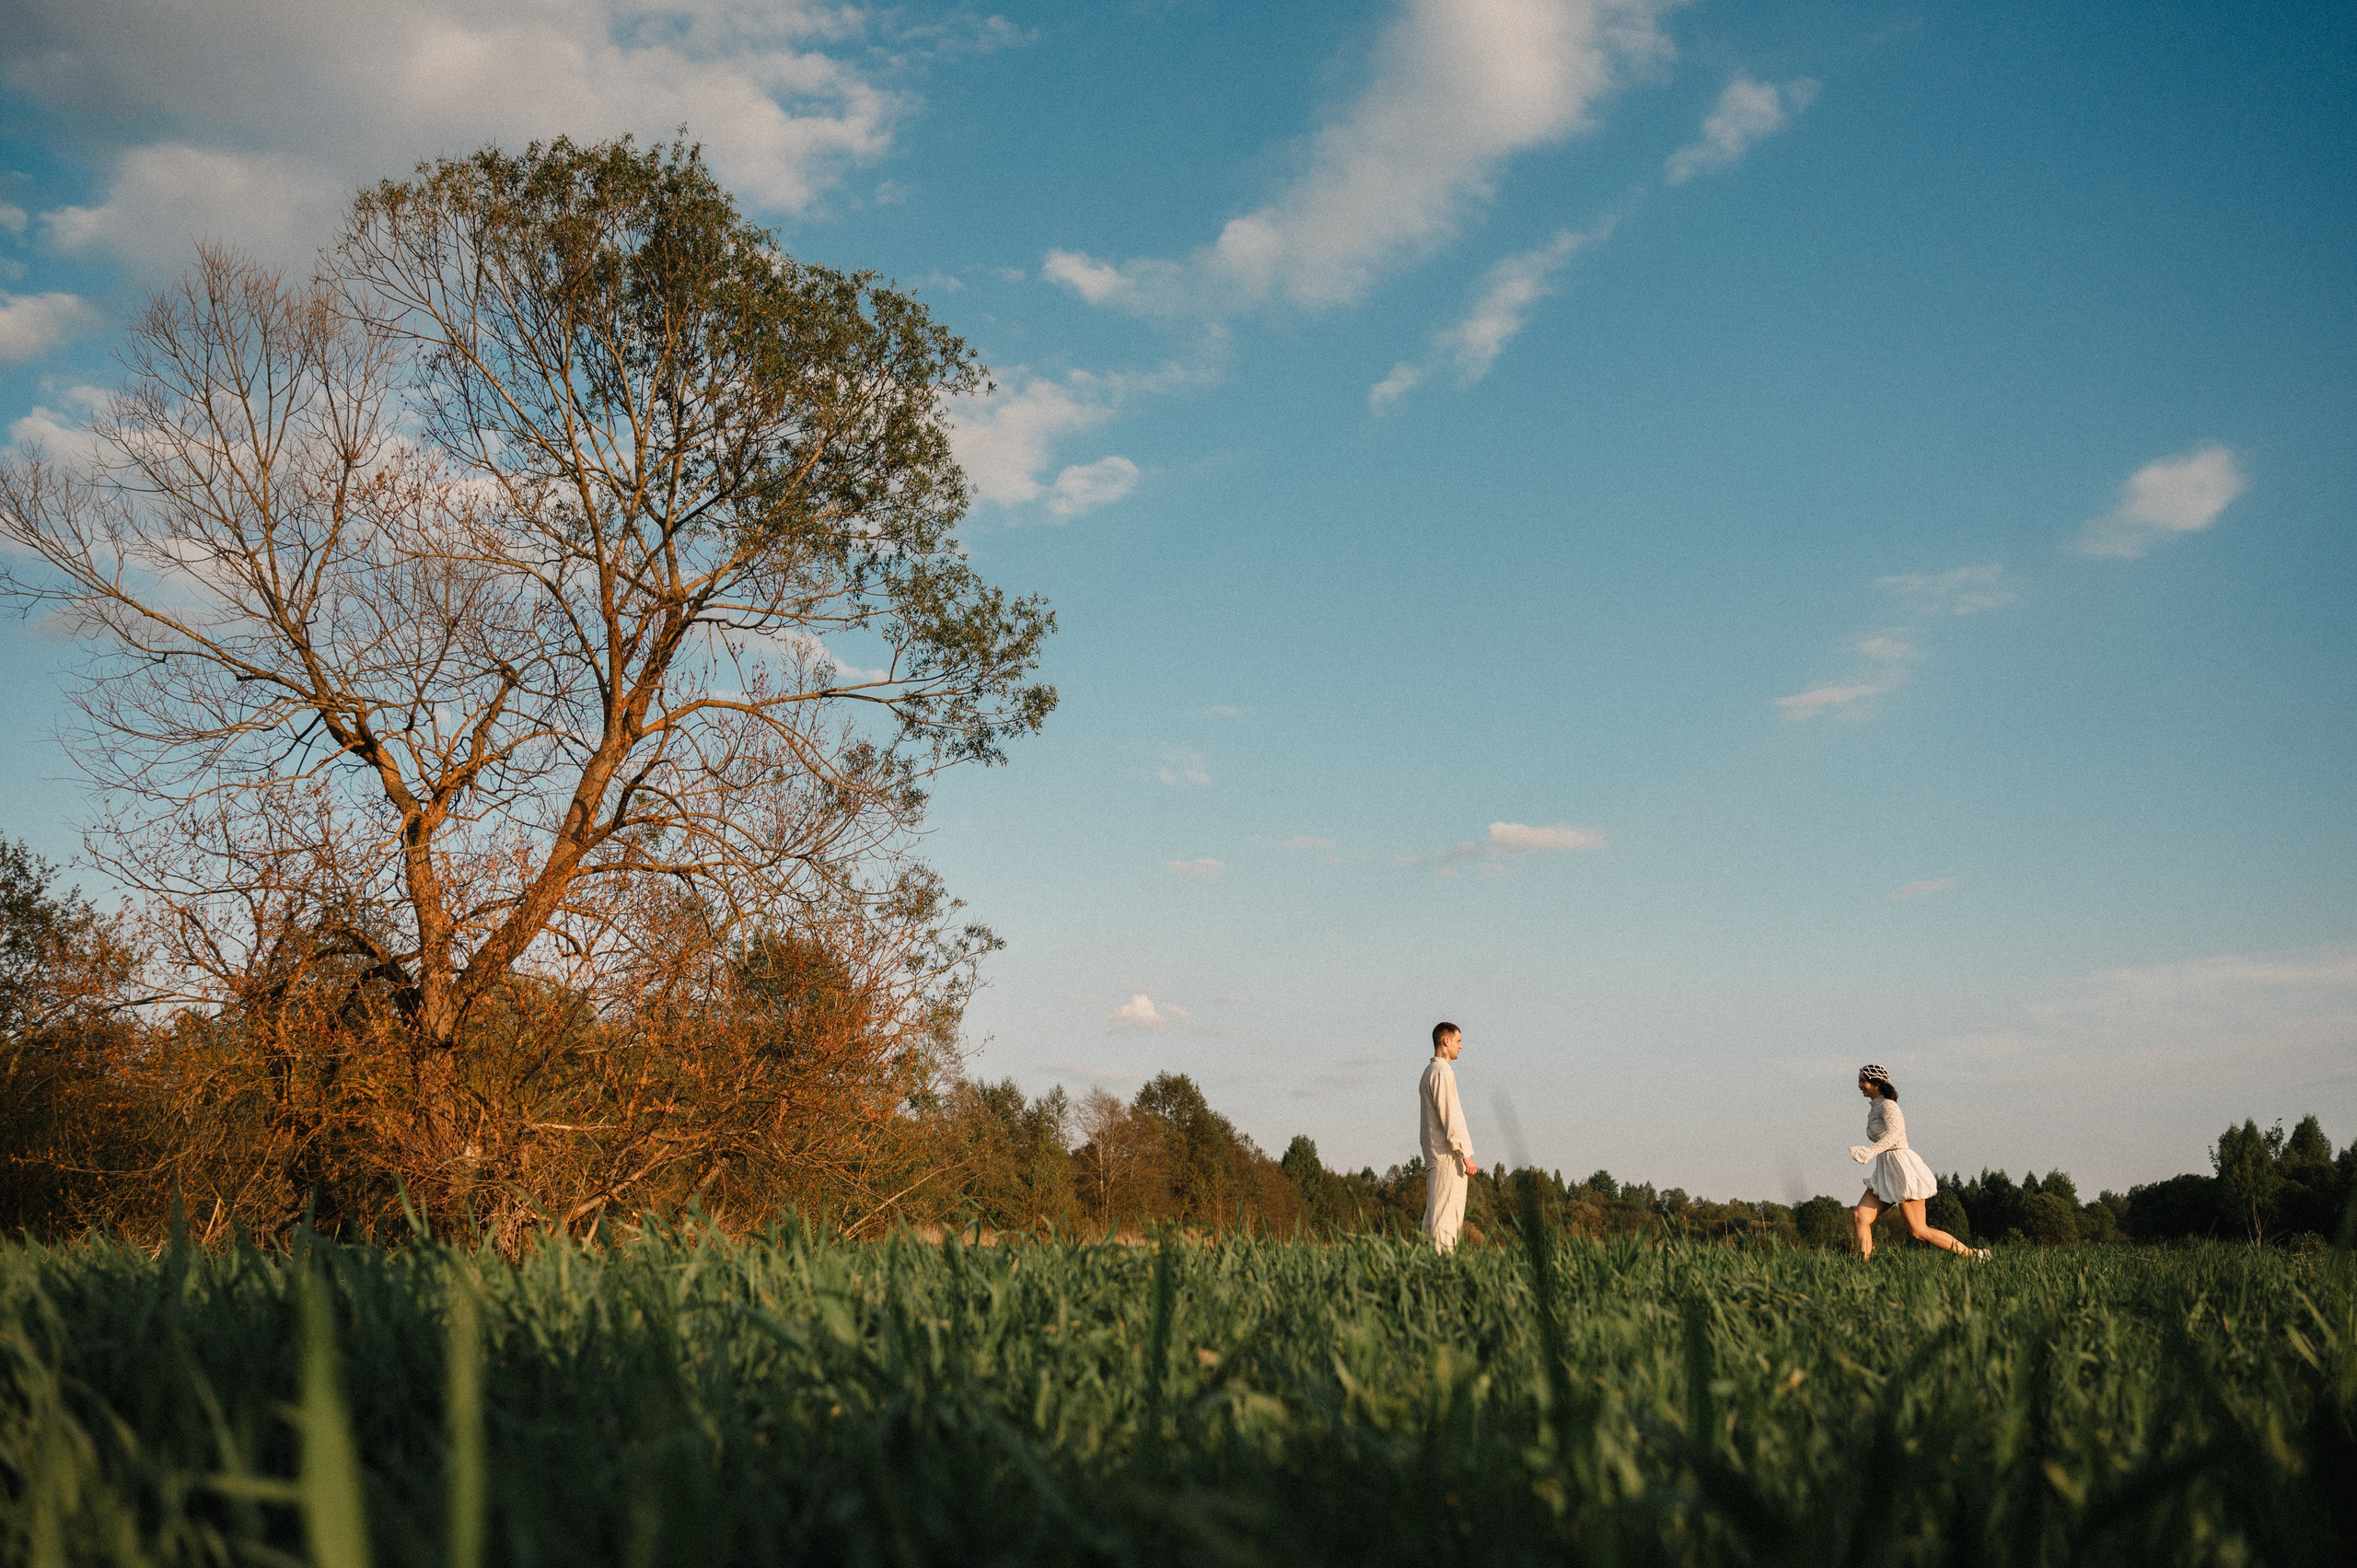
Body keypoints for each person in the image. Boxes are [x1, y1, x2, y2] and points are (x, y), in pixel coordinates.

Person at [1849, 1063, 1986, 1259]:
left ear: (1876, 1083)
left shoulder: (1888, 1106)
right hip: (1885, 1170)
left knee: (1918, 1230)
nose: (1859, 1085)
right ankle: (1861, 1266)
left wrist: (1869, 1152)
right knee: (1860, 1217)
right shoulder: (1875, 1108)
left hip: (1902, 1168)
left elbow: (1895, 1134)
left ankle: (1975, 1256)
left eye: (1863, 1081)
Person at [1419, 1022, 1478, 1252]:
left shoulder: (1431, 1072)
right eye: (1458, 1041)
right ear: (1446, 1041)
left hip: (1438, 1157)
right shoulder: (1441, 1072)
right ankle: (1443, 1269)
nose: (1461, 1046)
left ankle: (1425, 1265)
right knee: (1446, 1222)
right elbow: (1450, 1115)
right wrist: (1465, 1154)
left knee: (1433, 1219)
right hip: (1447, 1158)